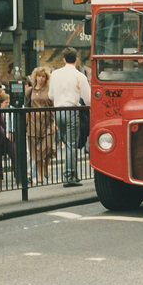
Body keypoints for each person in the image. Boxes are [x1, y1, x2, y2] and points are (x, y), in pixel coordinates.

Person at [49, 47, 90, 187]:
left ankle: (72, 175)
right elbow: (88, 98)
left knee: (66, 143)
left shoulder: (55, 74)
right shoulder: (79, 76)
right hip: (72, 110)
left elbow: (51, 96)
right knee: (72, 144)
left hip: (58, 111)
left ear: (64, 59)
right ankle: (69, 177)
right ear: (76, 59)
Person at [25, 67, 56, 184]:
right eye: (39, 76)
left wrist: (54, 122)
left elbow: (54, 105)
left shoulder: (50, 89)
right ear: (35, 77)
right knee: (36, 150)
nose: (41, 78)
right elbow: (27, 108)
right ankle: (39, 175)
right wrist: (26, 124)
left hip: (47, 121)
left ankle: (45, 166)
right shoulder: (29, 90)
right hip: (34, 122)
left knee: (48, 147)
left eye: (43, 76)